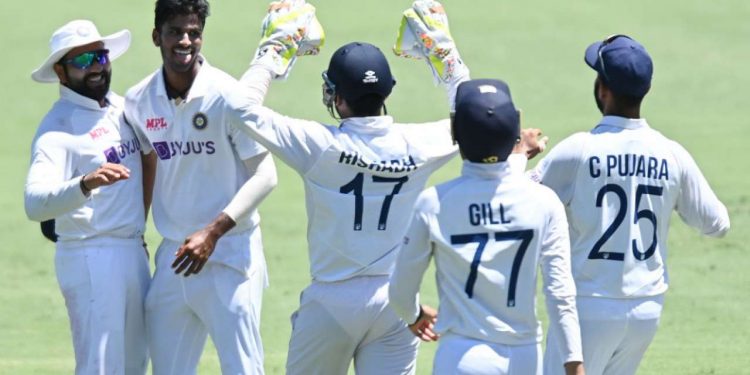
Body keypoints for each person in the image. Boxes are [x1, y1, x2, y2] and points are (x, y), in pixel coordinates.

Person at [227, 1, 544, 373]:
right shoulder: (419, 144)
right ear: (387, 92)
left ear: (338, 98)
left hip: (329, 302)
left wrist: (275, 48)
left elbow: (240, 107)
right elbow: (475, 114)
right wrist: (444, 53)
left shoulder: (318, 146)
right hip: (394, 304)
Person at [523, 35, 731, 375]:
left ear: (603, 89)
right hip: (645, 310)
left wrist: (519, 157)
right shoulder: (672, 153)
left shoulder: (579, 149)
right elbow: (717, 222)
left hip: (588, 307)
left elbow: (518, 203)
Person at [388, 78, 585, 375]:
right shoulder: (544, 202)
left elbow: (401, 291)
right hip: (524, 358)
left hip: (461, 358)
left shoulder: (433, 203)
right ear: (514, 133)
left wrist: (414, 315)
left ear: (456, 133)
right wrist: (574, 364)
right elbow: (560, 293)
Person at [123, 0, 278, 373]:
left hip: (229, 254)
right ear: (157, 36)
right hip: (174, 258)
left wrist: (212, 232)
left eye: (194, 33)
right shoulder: (139, 100)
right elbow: (146, 164)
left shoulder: (228, 96)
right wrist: (137, 232)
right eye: (176, 31)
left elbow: (266, 175)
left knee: (243, 368)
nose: (185, 41)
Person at [24, 20, 150, 374]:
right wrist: (84, 184)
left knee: (134, 365)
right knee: (101, 366)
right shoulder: (57, 128)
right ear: (61, 74)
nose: (95, 66)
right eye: (82, 62)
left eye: (100, 56)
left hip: (132, 250)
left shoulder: (122, 109)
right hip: (90, 254)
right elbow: (34, 203)